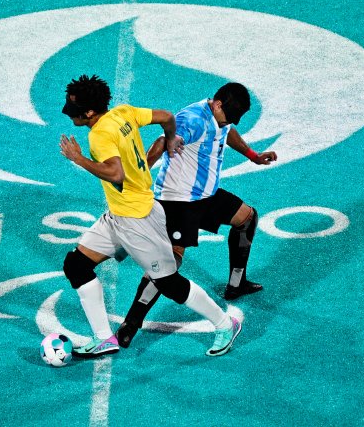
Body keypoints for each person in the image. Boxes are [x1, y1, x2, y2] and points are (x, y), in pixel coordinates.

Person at [58, 74, 241, 358]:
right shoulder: (123, 112)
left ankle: (225, 323)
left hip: (138, 219)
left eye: (73, 110)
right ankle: (103, 338)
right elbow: (167, 117)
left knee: (169, 284)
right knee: (76, 266)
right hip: (118, 215)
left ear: (90, 112)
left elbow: (115, 173)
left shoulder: (99, 136)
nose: (68, 114)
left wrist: (79, 159)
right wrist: (170, 139)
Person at [116, 82, 276, 349]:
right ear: (217, 103)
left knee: (247, 218)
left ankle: (236, 284)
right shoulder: (192, 121)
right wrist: (137, 177)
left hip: (205, 195)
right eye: (229, 115)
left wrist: (252, 155)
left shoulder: (220, 116)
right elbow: (161, 142)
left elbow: (227, 131)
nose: (230, 121)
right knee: (168, 265)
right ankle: (131, 323)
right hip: (178, 202)